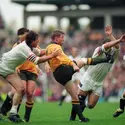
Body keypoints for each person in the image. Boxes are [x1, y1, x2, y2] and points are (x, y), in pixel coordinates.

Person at [45, 29, 114, 122]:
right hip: (63, 71)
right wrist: (73, 65)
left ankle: (74, 117)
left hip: (58, 76)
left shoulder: (49, 47)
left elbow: (45, 55)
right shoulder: (57, 47)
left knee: (75, 96)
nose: (63, 40)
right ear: (56, 38)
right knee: (84, 61)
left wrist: (46, 63)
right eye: (62, 37)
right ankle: (106, 59)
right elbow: (65, 59)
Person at [0, 30, 60, 123]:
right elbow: (37, 60)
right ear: (32, 41)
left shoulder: (29, 46)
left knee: (20, 89)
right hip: (3, 66)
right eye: (37, 40)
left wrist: (53, 48)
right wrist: (52, 55)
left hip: (9, 69)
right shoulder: (25, 48)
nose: (39, 42)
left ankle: (12, 113)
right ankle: (5, 110)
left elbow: (40, 52)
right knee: (18, 90)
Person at [74, 26, 125, 121]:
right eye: (108, 45)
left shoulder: (114, 55)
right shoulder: (98, 50)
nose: (110, 47)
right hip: (88, 78)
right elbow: (107, 46)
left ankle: (81, 105)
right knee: (80, 98)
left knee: (91, 105)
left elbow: (117, 47)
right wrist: (116, 40)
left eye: (111, 45)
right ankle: (78, 118)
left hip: (98, 83)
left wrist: (111, 36)